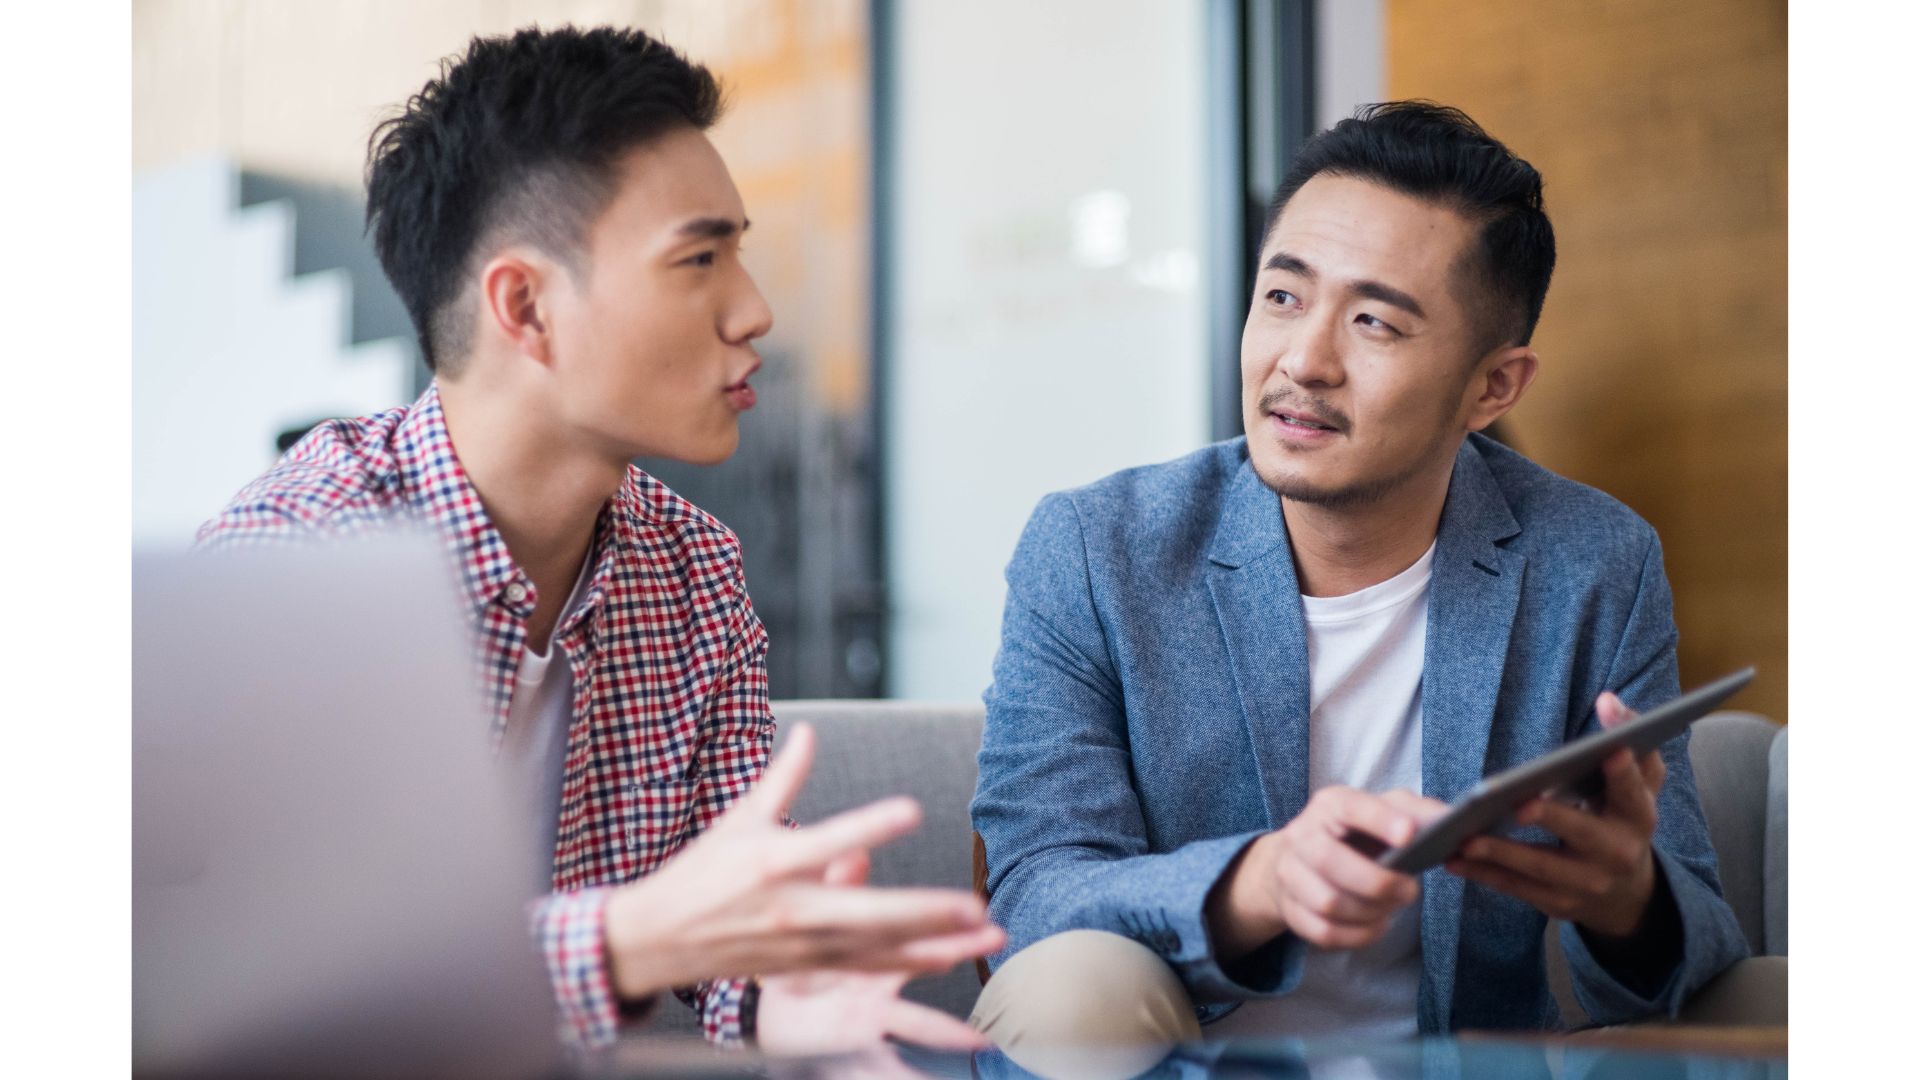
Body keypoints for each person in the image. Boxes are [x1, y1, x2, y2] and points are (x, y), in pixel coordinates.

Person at [197, 26, 1000, 1054]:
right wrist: (624, 942)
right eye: (700, 258)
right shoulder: (296, 570)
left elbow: (734, 921)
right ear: (525, 306)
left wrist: (781, 996)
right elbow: (292, 990)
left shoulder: (693, 566)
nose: (754, 310)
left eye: (739, 254)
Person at [968, 101, 1749, 1046]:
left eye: (1374, 322)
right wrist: (1258, 881)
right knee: (1069, 987)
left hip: (1456, 1069)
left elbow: (1698, 936)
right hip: (1180, 1059)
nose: (1303, 360)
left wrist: (1629, 900)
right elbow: (1036, 896)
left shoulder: (1592, 564)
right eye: (1283, 297)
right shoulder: (1097, 548)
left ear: (1492, 387)